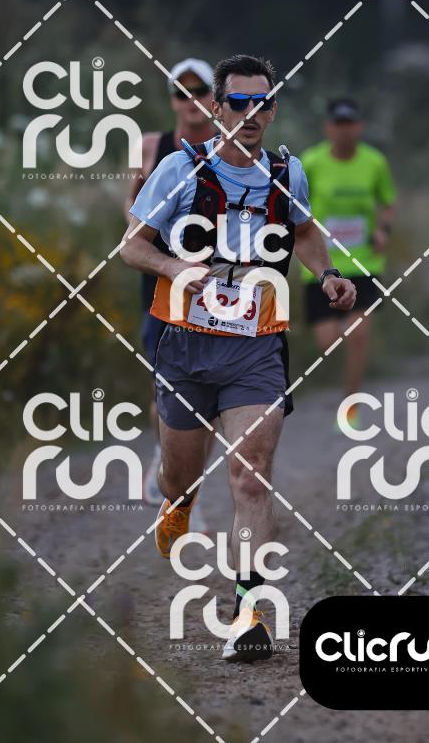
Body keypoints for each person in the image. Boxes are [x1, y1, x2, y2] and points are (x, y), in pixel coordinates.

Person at [120, 54, 356, 662]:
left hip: (257, 347)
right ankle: (178, 503)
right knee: (180, 478)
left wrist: (327, 274)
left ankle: (249, 614)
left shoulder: (286, 172)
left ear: (273, 110)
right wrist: (174, 266)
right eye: (239, 102)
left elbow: (303, 231)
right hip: (184, 346)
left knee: (251, 474)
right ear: (217, 108)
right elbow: (132, 247)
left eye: (263, 103)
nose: (252, 114)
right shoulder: (180, 168)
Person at [124, 58, 216, 520]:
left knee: (212, 393)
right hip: (161, 280)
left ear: (215, 97)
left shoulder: (231, 147)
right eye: (183, 92)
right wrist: (153, 245)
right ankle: (169, 464)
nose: (192, 100)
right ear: (172, 100)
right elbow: (131, 207)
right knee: (166, 384)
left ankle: (187, 492)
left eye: (201, 91)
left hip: (218, 283)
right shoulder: (150, 146)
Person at [301, 98, 397, 429]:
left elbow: (387, 202)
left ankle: (351, 406)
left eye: (350, 124)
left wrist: (383, 230)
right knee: (327, 341)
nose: (344, 131)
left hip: (364, 262)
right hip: (322, 266)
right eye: (338, 124)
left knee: (358, 333)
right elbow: (295, 206)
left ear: (360, 127)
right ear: (328, 128)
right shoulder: (311, 162)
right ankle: (335, 388)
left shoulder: (374, 162)